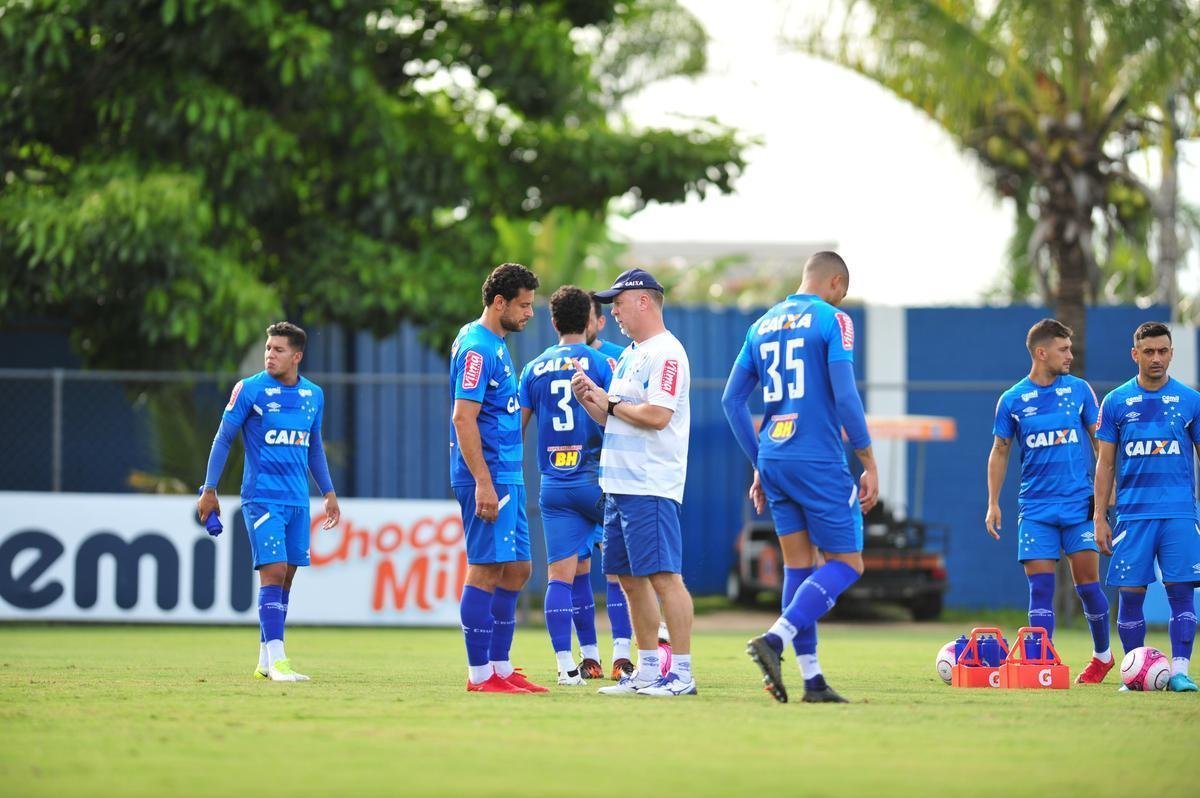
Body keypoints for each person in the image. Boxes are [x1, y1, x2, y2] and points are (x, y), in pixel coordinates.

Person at [722, 251, 878, 704]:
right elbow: (846, 396)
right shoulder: (834, 320)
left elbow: (732, 403)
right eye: (842, 293)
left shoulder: (761, 325)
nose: (841, 300)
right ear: (834, 283)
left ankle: (812, 680)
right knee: (848, 564)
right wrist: (868, 461)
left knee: (799, 565)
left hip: (774, 456)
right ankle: (775, 639)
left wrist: (759, 462)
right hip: (818, 459)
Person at [571, 268, 697, 697]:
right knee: (628, 579)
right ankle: (646, 669)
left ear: (643, 301)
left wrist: (610, 399)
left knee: (665, 577)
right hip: (619, 485)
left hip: (650, 484)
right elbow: (616, 418)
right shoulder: (630, 354)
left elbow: (658, 416)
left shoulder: (667, 352)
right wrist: (592, 400)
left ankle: (681, 674)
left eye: (618, 303)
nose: (613, 313)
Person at [198, 321, 341, 682]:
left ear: (297, 356)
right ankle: (279, 661)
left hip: (297, 501)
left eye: (278, 350)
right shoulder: (249, 390)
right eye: (268, 348)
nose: (269, 355)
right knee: (273, 572)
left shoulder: (314, 395)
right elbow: (222, 439)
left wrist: (328, 492)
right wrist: (209, 489)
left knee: (287, 577)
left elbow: (315, 448)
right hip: (262, 498)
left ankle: (265, 659)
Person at [984, 319, 1113, 683]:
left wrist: (1107, 492)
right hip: (1036, 510)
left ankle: (1102, 656)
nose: (1070, 355)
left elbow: (1100, 443)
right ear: (1042, 353)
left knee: (1088, 586)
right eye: (1064, 349)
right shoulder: (1011, 400)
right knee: (1040, 588)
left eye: (1070, 349)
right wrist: (993, 502)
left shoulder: (1080, 391)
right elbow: (999, 451)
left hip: (1079, 506)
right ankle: (1042, 664)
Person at [451, 262, 546, 694]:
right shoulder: (477, 347)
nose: (529, 313)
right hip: (488, 478)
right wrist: (483, 483)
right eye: (524, 305)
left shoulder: (497, 343)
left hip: (509, 474)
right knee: (486, 569)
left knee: (519, 569)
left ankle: (501, 667)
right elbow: (462, 418)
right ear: (500, 302)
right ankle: (479, 675)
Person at [1094, 321, 1200, 692]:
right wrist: (1099, 517)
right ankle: (1134, 671)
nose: (1157, 358)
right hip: (1132, 515)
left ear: (1171, 353)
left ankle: (1181, 671)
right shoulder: (1116, 402)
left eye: (1163, 351)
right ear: (1135, 354)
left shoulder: (1190, 400)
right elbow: (1105, 463)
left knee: (1181, 592)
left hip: (1179, 514)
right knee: (1131, 592)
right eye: (1149, 351)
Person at [519, 285, 614, 685]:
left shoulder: (533, 368)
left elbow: (516, 430)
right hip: (596, 480)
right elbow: (617, 418)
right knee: (626, 571)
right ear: (590, 321)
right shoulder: (602, 361)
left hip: (554, 486)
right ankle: (629, 657)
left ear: (554, 321)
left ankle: (566, 666)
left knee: (561, 577)